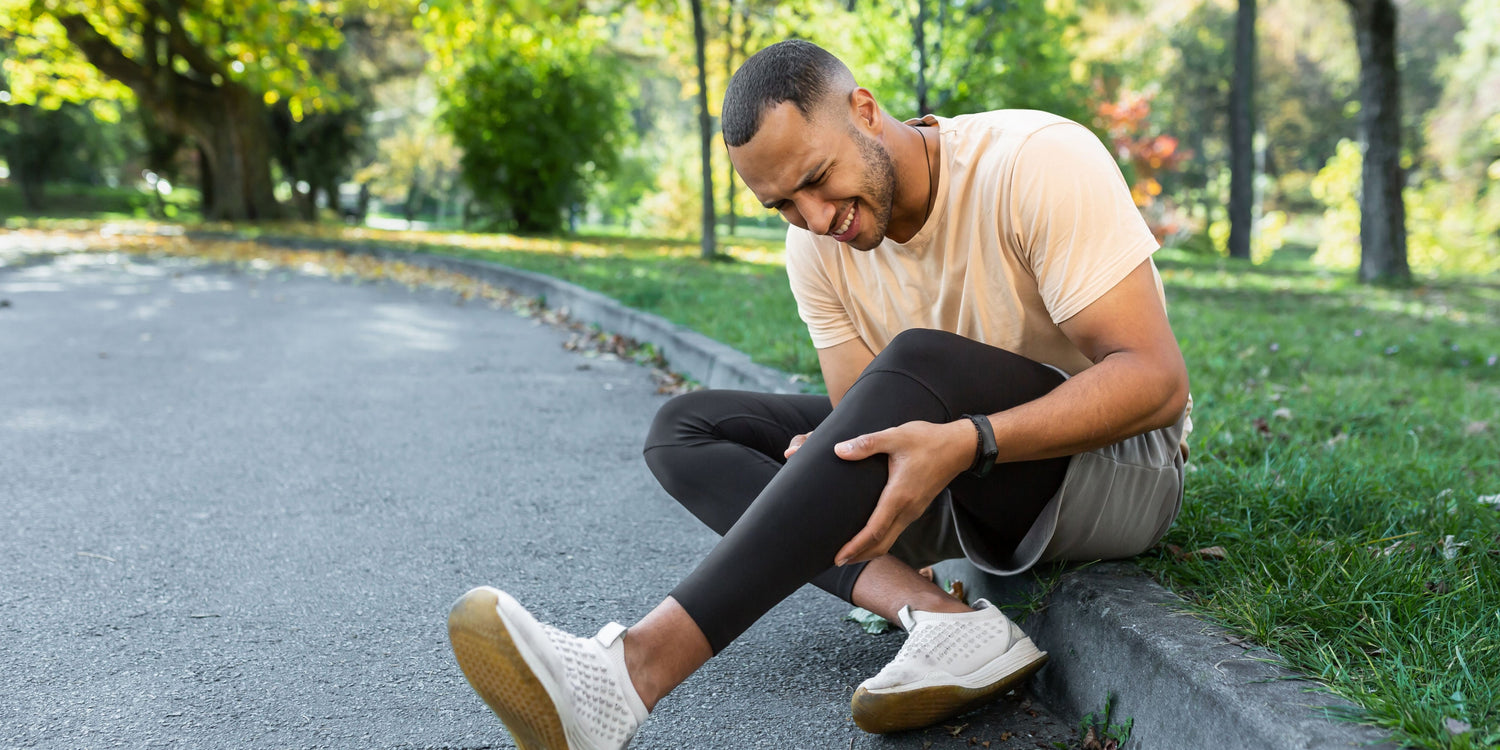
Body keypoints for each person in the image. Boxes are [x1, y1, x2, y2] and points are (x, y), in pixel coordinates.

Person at [445, 38, 1191, 750]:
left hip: (1112, 468)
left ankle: (633, 672)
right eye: (783, 205)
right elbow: (863, 412)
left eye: (816, 178)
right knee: (687, 428)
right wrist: (828, 457)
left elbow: (1156, 383)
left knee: (916, 358)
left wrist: (969, 441)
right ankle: (941, 618)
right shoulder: (816, 247)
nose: (815, 218)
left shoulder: (1035, 161)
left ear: (864, 109)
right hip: (950, 478)